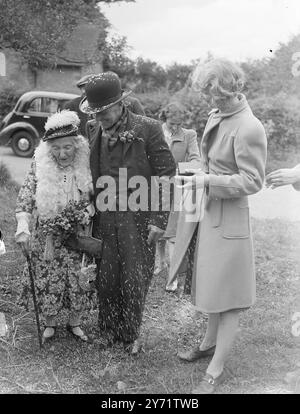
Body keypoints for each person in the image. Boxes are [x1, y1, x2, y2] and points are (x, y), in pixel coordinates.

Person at [175, 59, 267, 393]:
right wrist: (193, 173)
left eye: (209, 91)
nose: (206, 98)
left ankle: (216, 367)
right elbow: (210, 161)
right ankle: (208, 343)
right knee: (212, 287)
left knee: (228, 299)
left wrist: (206, 180)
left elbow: (253, 181)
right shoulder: (218, 115)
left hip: (229, 221)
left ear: (225, 88)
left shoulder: (249, 127)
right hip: (209, 213)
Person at [80, 71, 176, 353]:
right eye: (95, 113)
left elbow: (167, 173)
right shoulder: (93, 129)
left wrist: (159, 218)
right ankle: (108, 330)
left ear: (120, 103)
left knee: (134, 276)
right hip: (105, 216)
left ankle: (131, 333)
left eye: (104, 112)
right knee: (107, 278)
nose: (100, 118)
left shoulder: (148, 128)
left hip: (139, 217)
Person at [15, 110, 95, 343]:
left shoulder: (86, 165)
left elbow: (95, 195)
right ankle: (50, 323)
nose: (62, 153)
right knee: (49, 277)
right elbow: (27, 193)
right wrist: (23, 223)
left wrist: (88, 210)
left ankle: (75, 322)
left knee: (78, 277)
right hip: (48, 234)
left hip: (78, 233)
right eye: (56, 148)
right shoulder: (39, 165)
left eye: (67, 147)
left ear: (77, 146)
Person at [154, 102, 201, 293]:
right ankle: (161, 261)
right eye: (172, 123)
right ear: (165, 118)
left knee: (172, 232)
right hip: (152, 185)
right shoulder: (155, 131)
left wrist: (177, 170)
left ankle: (172, 278)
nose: (176, 127)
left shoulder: (189, 135)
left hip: (175, 186)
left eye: (179, 123)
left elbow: (196, 161)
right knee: (157, 228)